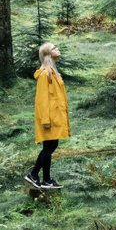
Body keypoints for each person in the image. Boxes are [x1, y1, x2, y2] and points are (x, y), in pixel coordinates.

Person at [26, 40, 70, 190]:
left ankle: (46, 180)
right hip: (48, 118)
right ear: (47, 54)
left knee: (50, 146)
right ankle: (33, 175)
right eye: (54, 48)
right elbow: (42, 100)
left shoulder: (53, 72)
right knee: (50, 146)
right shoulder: (45, 75)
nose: (58, 49)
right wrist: (45, 120)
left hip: (54, 116)